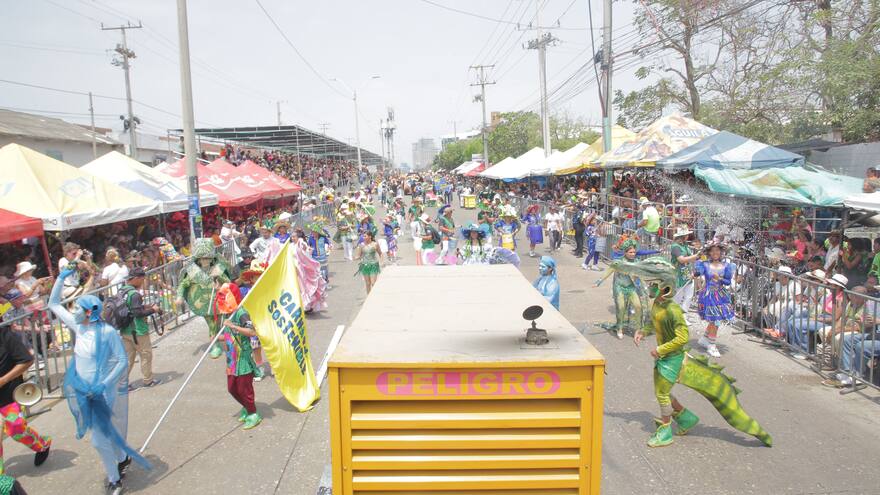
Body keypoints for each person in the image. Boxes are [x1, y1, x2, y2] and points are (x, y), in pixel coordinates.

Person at [623, 258, 772, 448]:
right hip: (664, 358)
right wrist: (643, 331)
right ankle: (686, 418)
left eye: (653, 284)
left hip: (672, 358)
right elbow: (654, 321)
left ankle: (666, 431)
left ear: (664, 287)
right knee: (662, 391)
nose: (649, 287)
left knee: (662, 394)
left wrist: (661, 349)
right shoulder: (659, 305)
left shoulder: (673, 310)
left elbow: (682, 338)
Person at [48, 268, 149, 495]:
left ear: (89, 312)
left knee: (97, 439)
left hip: (104, 392)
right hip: (84, 392)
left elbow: (122, 361)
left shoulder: (107, 333)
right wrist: (61, 278)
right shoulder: (79, 328)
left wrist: (104, 384)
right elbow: (53, 304)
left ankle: (114, 480)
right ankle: (122, 458)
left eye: (77, 308)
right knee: (106, 432)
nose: (72, 311)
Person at [0, 312, 52, 475]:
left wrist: (3, 380)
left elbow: (26, 360)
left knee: (15, 428)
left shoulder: (5, 335)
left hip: (9, 394)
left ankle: (42, 444)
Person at [175, 239, 232, 359]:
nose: (205, 261)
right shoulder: (193, 272)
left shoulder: (218, 269)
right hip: (203, 303)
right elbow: (183, 285)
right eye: (203, 258)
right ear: (198, 259)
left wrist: (220, 282)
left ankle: (227, 341)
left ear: (212, 258)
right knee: (212, 324)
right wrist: (179, 296)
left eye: (208, 258)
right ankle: (215, 345)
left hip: (219, 301)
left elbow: (229, 282)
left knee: (222, 323)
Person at [216, 283, 262, 430]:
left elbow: (251, 332)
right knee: (232, 389)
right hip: (231, 360)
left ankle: (253, 413)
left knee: (244, 389)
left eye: (225, 296)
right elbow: (230, 335)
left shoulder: (241, 312)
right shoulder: (227, 313)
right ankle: (246, 407)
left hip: (243, 358)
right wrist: (219, 338)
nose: (222, 299)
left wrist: (233, 325)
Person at [118, 267, 161, 390]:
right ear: (136, 279)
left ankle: (122, 383)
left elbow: (131, 308)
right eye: (142, 279)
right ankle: (148, 380)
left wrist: (144, 306)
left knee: (128, 358)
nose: (143, 282)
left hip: (125, 330)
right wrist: (153, 310)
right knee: (146, 355)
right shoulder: (135, 294)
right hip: (138, 331)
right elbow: (137, 314)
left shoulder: (122, 291)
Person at [694, 243, 736, 358]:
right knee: (715, 319)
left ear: (721, 252)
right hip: (708, 295)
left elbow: (728, 282)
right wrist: (696, 268)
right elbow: (698, 272)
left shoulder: (727, 266)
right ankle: (711, 345)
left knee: (716, 318)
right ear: (709, 253)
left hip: (721, 295)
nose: (715, 253)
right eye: (712, 251)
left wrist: (720, 278)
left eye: (717, 250)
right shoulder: (705, 264)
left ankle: (705, 338)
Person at [611, 239, 647, 340]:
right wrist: (599, 282)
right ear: (625, 252)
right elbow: (610, 272)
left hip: (631, 288)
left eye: (634, 252)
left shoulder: (637, 262)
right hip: (620, 287)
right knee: (621, 307)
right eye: (630, 252)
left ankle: (638, 330)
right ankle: (619, 328)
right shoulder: (619, 262)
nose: (633, 254)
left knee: (638, 306)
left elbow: (643, 274)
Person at [669, 226, 701, 316]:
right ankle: (674, 315)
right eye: (686, 235)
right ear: (683, 236)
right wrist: (696, 256)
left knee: (689, 295)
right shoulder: (675, 247)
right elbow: (681, 260)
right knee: (678, 296)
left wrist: (699, 256)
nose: (688, 236)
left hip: (686, 272)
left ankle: (683, 315)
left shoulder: (685, 245)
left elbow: (690, 258)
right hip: (677, 273)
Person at [307, 221, 332, 287]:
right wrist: (309, 249)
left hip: (323, 256)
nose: (313, 233)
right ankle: (320, 285)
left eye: (315, 232)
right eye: (312, 232)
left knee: (325, 271)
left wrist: (329, 248)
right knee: (318, 272)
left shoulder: (323, 238)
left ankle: (326, 284)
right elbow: (308, 246)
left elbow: (329, 244)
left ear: (318, 232)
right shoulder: (310, 238)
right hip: (314, 257)